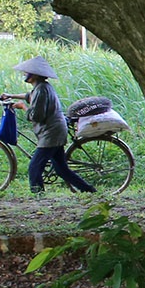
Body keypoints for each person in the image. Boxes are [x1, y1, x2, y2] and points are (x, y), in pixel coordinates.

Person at [13, 55, 95, 194]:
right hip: (55, 131)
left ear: (35, 75)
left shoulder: (42, 90)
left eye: (27, 73)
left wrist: (23, 107)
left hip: (51, 133)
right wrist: (11, 96)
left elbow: (37, 116)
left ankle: (38, 195)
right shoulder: (40, 87)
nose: (25, 75)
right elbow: (29, 95)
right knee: (61, 169)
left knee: (34, 166)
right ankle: (89, 190)